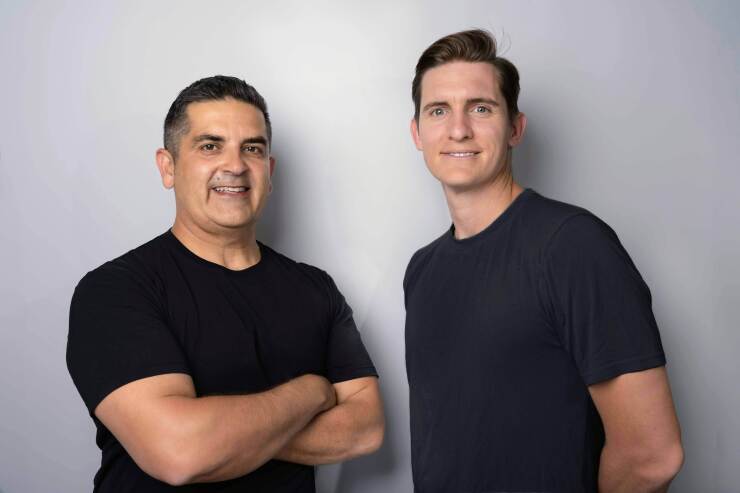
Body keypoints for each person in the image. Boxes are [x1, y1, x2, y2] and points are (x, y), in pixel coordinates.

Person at [67, 75, 384, 492]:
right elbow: (180, 453)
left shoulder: (315, 289)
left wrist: (221, 434)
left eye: (252, 148)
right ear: (168, 166)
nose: (235, 166)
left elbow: (365, 429)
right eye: (210, 146)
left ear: (269, 171)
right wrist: (312, 392)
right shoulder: (115, 292)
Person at [404, 29, 683, 493]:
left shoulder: (572, 246)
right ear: (417, 133)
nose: (458, 129)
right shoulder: (422, 270)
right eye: (438, 110)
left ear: (515, 128)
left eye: (481, 108)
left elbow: (653, 456)